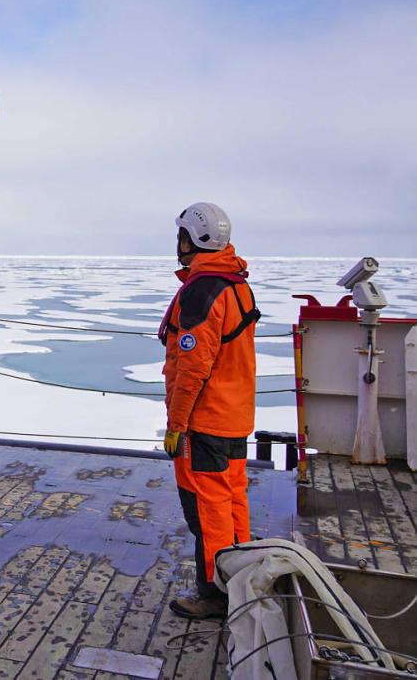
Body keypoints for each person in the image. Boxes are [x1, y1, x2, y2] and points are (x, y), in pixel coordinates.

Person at [158, 202, 260, 619]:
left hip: (206, 421)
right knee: (233, 504)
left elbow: (193, 366)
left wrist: (177, 424)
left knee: (208, 510)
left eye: (181, 236)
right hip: (235, 418)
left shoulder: (202, 292)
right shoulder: (235, 284)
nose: (177, 244)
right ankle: (242, 580)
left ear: (193, 240)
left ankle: (215, 594)